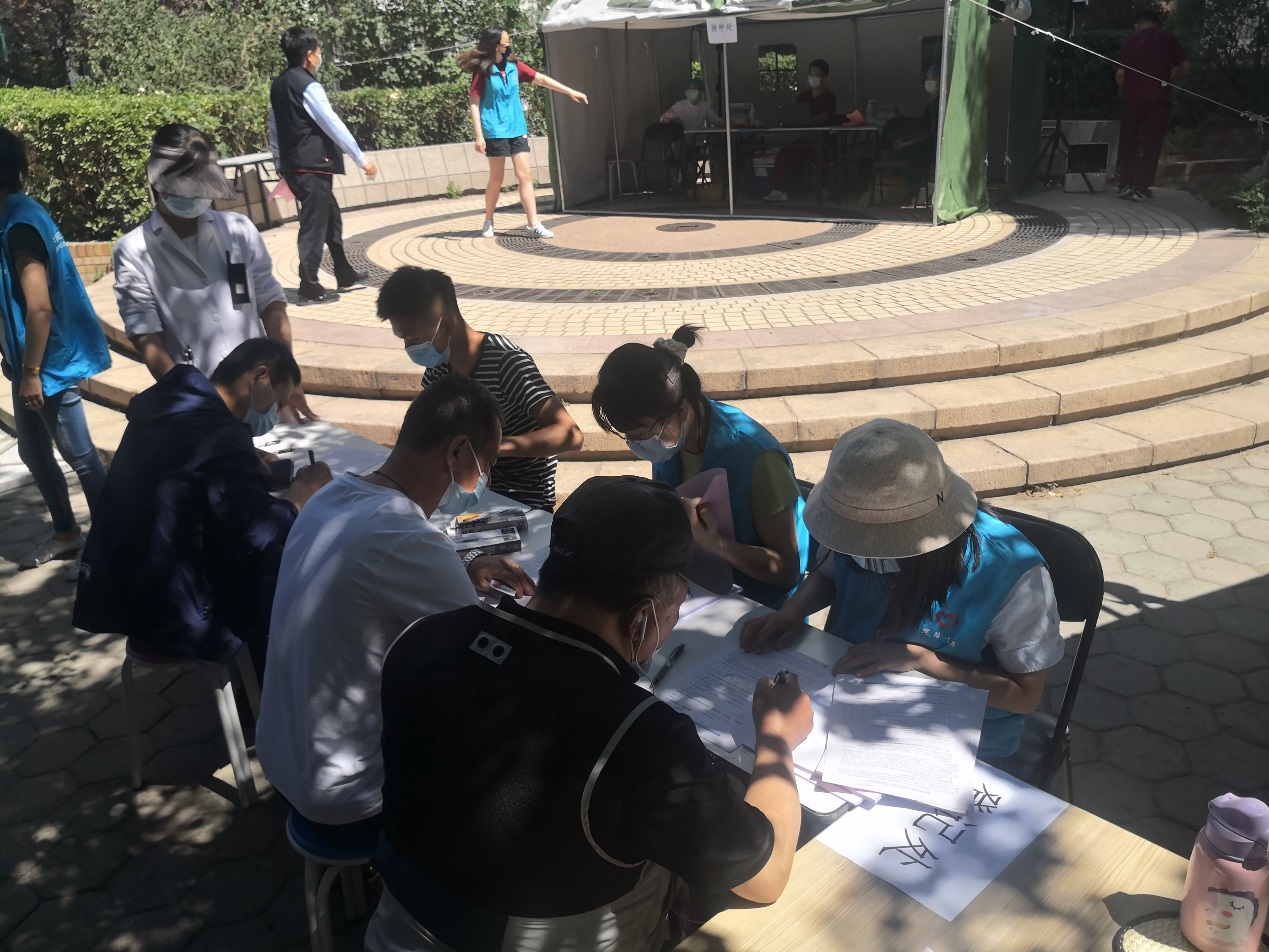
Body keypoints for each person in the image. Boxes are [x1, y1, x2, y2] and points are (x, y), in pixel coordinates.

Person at [364, 475, 814, 952]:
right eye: (679, 603)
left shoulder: (425, 637)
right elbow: (765, 879)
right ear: (640, 618)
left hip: (395, 931)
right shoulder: (641, 737)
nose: (675, 619)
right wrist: (776, 741)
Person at [256, 374, 534, 847]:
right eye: (486, 464)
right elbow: (486, 664)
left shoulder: (328, 498)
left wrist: (458, 569)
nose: (485, 479)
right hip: (349, 795)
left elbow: (373, 579)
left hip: (281, 755)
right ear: (457, 451)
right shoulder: (408, 539)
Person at [741, 419, 1063, 762]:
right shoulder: (854, 522)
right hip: (847, 701)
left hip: (958, 739)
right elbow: (828, 576)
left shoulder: (1012, 574)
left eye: (879, 547)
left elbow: (1025, 695)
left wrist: (924, 661)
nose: (862, 554)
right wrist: (792, 611)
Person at [73, 339, 332, 671]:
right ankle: (267, 691)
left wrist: (245, 463)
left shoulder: (174, 408)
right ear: (259, 377)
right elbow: (257, 534)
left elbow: (189, 475)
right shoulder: (220, 436)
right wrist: (301, 494)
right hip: (176, 613)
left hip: (122, 592)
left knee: (277, 563)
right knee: (312, 585)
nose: (276, 414)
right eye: (278, 403)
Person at [591, 325, 809, 609]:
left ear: (680, 411)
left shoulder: (757, 458)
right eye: (628, 436)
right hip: (698, 594)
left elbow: (787, 570)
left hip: (760, 610)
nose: (637, 444)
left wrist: (716, 544)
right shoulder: (671, 439)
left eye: (642, 434)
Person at [113, 124, 317, 422]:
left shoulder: (238, 229)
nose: (195, 192)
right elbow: (146, 337)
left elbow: (271, 303)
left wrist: (287, 374)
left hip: (260, 394)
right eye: (186, 183)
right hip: (197, 403)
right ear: (158, 180)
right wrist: (193, 401)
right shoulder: (133, 250)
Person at [378, 266, 581, 511]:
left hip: (521, 497)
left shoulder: (506, 361)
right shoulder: (438, 368)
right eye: (404, 339)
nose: (409, 348)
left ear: (447, 323)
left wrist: (491, 448)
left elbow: (570, 434)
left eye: (413, 339)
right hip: (464, 489)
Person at [0, 127, 111, 570]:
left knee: (82, 458)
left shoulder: (20, 226)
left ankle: (113, 549)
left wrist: (31, 373)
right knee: (33, 452)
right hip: (28, 363)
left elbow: (40, 307)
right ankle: (66, 533)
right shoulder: (14, 215)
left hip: (47, 364)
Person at [269, 25, 379, 303]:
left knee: (330, 217)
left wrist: (280, 163)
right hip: (312, 165)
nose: (320, 56)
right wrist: (361, 158)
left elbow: (273, 128)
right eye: (318, 52)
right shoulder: (308, 85)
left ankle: (344, 272)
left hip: (295, 165)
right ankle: (309, 284)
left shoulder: (279, 85)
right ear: (309, 55)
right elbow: (331, 123)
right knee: (314, 225)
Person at [458, 26, 588, 239]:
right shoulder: (482, 71)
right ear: (496, 45)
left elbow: (541, 79)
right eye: (505, 41)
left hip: (517, 128)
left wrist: (569, 91)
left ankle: (533, 224)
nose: (509, 44)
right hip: (494, 129)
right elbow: (474, 103)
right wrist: (479, 135)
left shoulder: (514, 66)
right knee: (497, 178)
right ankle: (488, 220)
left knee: (524, 175)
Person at [1116, 8, 1188, 202]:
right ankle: (1141, 187)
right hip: (1159, 98)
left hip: (1133, 98)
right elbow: (1185, 65)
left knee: (1130, 140)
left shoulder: (1131, 40)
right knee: (1152, 142)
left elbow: (1121, 72)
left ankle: (1126, 184)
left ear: (1138, 24)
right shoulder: (1168, 39)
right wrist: (1170, 82)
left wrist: (1122, 90)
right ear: (1156, 23)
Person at [762, 59, 838, 203]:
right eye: (810, 74)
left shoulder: (829, 97)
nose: (812, 78)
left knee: (821, 156)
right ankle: (779, 190)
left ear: (824, 78)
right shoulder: (803, 96)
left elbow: (824, 117)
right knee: (784, 154)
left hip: (821, 141)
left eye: (816, 75)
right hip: (802, 141)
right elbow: (794, 115)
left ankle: (824, 189)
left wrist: (808, 118)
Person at [891, 64, 941, 206]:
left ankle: (921, 187)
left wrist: (907, 143)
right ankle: (919, 188)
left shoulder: (937, 105)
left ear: (941, 80)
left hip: (932, 146)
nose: (929, 82)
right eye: (928, 78)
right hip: (930, 144)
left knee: (898, 155)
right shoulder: (933, 104)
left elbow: (928, 130)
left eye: (933, 78)